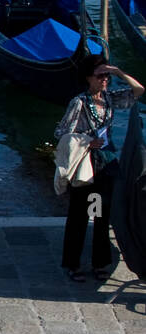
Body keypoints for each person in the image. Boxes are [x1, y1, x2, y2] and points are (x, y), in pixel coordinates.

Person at [55, 53, 144, 282]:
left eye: (106, 75)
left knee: (102, 216)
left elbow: (139, 91)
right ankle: (73, 265)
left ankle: (99, 263)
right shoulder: (79, 103)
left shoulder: (110, 99)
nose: (105, 79)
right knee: (79, 216)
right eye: (101, 75)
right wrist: (86, 140)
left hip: (106, 165)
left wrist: (118, 72)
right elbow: (61, 133)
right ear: (88, 77)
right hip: (87, 166)